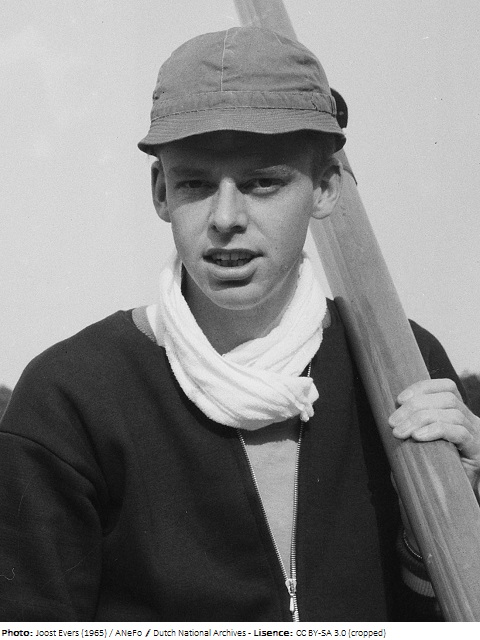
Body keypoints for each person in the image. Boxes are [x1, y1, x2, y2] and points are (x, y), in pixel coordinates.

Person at [0, 26, 479, 623]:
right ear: (161, 193)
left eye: (262, 182)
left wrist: (447, 518)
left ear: (325, 188)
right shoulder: (70, 397)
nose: (226, 218)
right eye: (196, 184)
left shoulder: (400, 364)